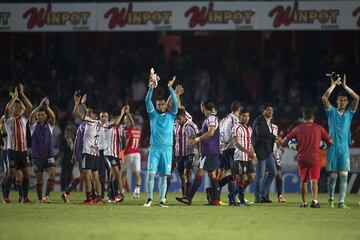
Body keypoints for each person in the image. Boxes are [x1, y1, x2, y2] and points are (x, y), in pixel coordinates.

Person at [281, 107, 332, 208]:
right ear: (313, 117)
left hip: (302, 159)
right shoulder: (319, 128)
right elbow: (330, 142)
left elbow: (284, 141)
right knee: (314, 181)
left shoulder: (297, 128)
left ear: (303, 117)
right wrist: (323, 147)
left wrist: (292, 146)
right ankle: (315, 201)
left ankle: (304, 203)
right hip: (315, 159)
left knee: (303, 181)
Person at [321, 74, 359, 208]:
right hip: (333, 147)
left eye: (344, 100)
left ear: (347, 102)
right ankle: (331, 199)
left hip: (344, 148)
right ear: (336, 101)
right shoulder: (331, 112)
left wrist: (345, 86)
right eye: (340, 100)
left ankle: (341, 202)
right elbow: (324, 98)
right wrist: (333, 85)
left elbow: (357, 98)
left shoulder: (350, 113)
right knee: (333, 176)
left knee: (344, 175)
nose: (342, 102)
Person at [143, 70, 178, 208]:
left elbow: (175, 102)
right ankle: (149, 199)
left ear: (165, 105)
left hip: (167, 150)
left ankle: (162, 200)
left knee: (164, 177)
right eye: (158, 105)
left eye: (162, 104)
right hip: (155, 149)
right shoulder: (153, 116)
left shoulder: (172, 115)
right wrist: (151, 88)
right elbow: (147, 100)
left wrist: (170, 89)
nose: (160, 106)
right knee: (151, 175)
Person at [176, 101, 221, 206]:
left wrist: (197, 139)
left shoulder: (211, 118)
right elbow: (207, 132)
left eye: (201, 106)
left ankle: (189, 198)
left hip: (209, 151)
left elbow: (211, 132)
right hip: (211, 151)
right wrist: (197, 135)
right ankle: (215, 200)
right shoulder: (210, 118)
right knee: (212, 175)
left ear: (204, 107)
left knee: (199, 173)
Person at [3, 84, 33, 203]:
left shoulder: (24, 119)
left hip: (23, 151)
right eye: (16, 107)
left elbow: (30, 107)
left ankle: (25, 198)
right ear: (13, 109)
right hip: (12, 151)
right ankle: (6, 197)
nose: (18, 109)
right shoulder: (8, 120)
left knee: (26, 174)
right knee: (11, 174)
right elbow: (6, 109)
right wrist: (14, 98)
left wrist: (22, 94)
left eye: (20, 108)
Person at [73, 91, 103, 205]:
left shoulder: (89, 121)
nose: (86, 113)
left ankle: (89, 199)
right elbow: (87, 111)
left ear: (93, 115)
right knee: (95, 177)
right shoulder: (97, 122)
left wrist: (77, 102)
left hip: (88, 152)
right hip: (95, 153)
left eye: (89, 112)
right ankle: (99, 198)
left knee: (86, 176)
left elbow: (76, 112)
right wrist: (84, 104)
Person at [252, 103, 281, 203]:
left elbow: (267, 135)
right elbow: (261, 133)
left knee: (273, 172)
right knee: (260, 176)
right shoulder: (259, 120)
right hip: (260, 151)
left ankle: (263, 194)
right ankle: (258, 197)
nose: (270, 112)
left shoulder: (268, 122)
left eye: (271, 110)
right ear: (263, 111)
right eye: (268, 110)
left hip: (268, 151)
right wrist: (275, 137)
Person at [29, 97, 56, 203]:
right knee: (39, 179)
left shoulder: (49, 125)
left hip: (49, 155)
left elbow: (53, 117)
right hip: (37, 156)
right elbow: (31, 116)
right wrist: (40, 106)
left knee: (52, 173)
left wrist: (47, 107)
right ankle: (40, 200)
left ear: (45, 116)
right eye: (39, 115)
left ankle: (46, 196)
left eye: (42, 114)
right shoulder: (33, 126)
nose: (40, 116)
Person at [229, 108, 257, 206]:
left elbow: (250, 144)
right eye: (244, 116)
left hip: (248, 157)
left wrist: (254, 155)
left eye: (248, 116)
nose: (246, 118)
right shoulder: (236, 127)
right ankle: (241, 201)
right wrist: (247, 152)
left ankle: (233, 194)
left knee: (251, 178)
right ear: (240, 116)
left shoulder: (249, 129)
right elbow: (236, 143)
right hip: (239, 157)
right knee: (241, 179)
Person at [103, 107, 128, 203]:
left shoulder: (120, 128)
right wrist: (121, 114)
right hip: (109, 153)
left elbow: (124, 144)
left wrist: (124, 138)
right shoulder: (107, 125)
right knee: (117, 174)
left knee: (113, 176)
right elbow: (116, 123)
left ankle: (111, 196)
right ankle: (118, 194)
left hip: (117, 154)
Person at [218, 101, 242, 197]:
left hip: (223, 148)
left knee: (224, 173)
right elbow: (229, 136)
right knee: (233, 174)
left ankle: (216, 196)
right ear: (240, 109)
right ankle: (231, 196)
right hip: (230, 148)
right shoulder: (234, 120)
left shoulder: (225, 118)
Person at [173, 108, 199, 197]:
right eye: (177, 119)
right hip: (178, 154)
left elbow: (198, 139)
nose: (178, 120)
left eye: (179, 118)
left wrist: (199, 153)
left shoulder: (192, 126)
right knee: (181, 176)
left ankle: (187, 196)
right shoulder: (175, 125)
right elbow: (173, 139)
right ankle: (184, 194)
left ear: (184, 117)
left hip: (189, 153)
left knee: (187, 173)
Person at [121, 111, 142, 198]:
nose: (125, 121)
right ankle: (137, 191)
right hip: (137, 153)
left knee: (122, 173)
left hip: (128, 153)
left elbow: (125, 144)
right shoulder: (138, 131)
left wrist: (121, 153)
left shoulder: (127, 131)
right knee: (137, 173)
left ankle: (120, 190)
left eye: (126, 120)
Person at [271, 123, 286, 203]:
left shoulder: (274, 127)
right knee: (265, 175)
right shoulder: (261, 125)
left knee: (279, 175)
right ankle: (263, 195)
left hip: (275, 154)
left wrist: (280, 145)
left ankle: (280, 195)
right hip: (266, 154)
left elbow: (275, 139)